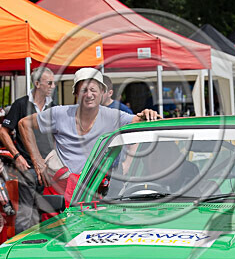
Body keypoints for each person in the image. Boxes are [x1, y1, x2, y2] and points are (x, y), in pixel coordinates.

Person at [18, 67, 161, 194]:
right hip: (62, 190)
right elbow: (24, 124)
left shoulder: (112, 116)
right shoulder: (59, 113)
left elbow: (141, 121)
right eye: (83, 90)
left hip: (96, 190)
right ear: (76, 93)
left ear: (102, 92)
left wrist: (149, 113)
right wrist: (37, 161)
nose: (89, 94)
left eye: (93, 90)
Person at [0, 67, 55, 233]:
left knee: (44, 212)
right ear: (37, 84)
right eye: (49, 83)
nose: (52, 86)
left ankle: (40, 250)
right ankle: (21, 251)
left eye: (53, 83)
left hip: (48, 169)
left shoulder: (53, 106)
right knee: (26, 213)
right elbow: (3, 131)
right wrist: (16, 156)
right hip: (28, 167)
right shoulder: (21, 104)